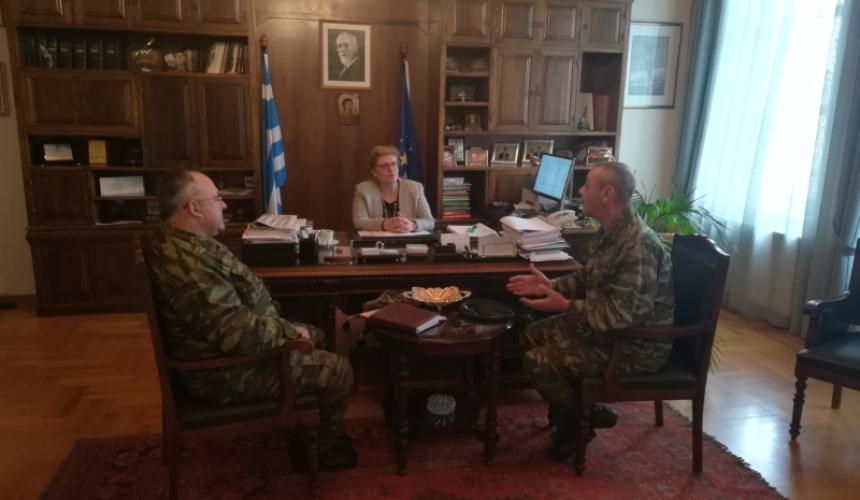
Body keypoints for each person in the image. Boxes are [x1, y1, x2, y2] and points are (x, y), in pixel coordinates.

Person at [144, 168, 357, 471]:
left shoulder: (188, 243)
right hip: (222, 372)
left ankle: (302, 424)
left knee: (319, 334)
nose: (224, 204)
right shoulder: (186, 265)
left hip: (232, 349)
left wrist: (286, 326)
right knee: (338, 370)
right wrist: (287, 331)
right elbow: (234, 332)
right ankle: (322, 450)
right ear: (194, 208)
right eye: (217, 198)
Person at [506, 161, 674, 462]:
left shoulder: (638, 245)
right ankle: (579, 410)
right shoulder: (609, 231)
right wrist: (551, 285)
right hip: (603, 329)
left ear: (607, 193)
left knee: (538, 362)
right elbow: (587, 277)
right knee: (530, 335)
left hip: (634, 345)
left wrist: (565, 305)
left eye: (587, 186)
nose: (580, 191)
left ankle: (575, 424)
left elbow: (622, 315)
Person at [352, 145, 435, 233]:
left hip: (407, 240)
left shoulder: (414, 188)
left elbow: (429, 221)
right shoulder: (363, 190)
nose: (391, 169)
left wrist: (412, 225)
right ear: (374, 172)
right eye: (384, 166)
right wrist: (385, 224)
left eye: (394, 164)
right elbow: (359, 221)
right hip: (378, 241)